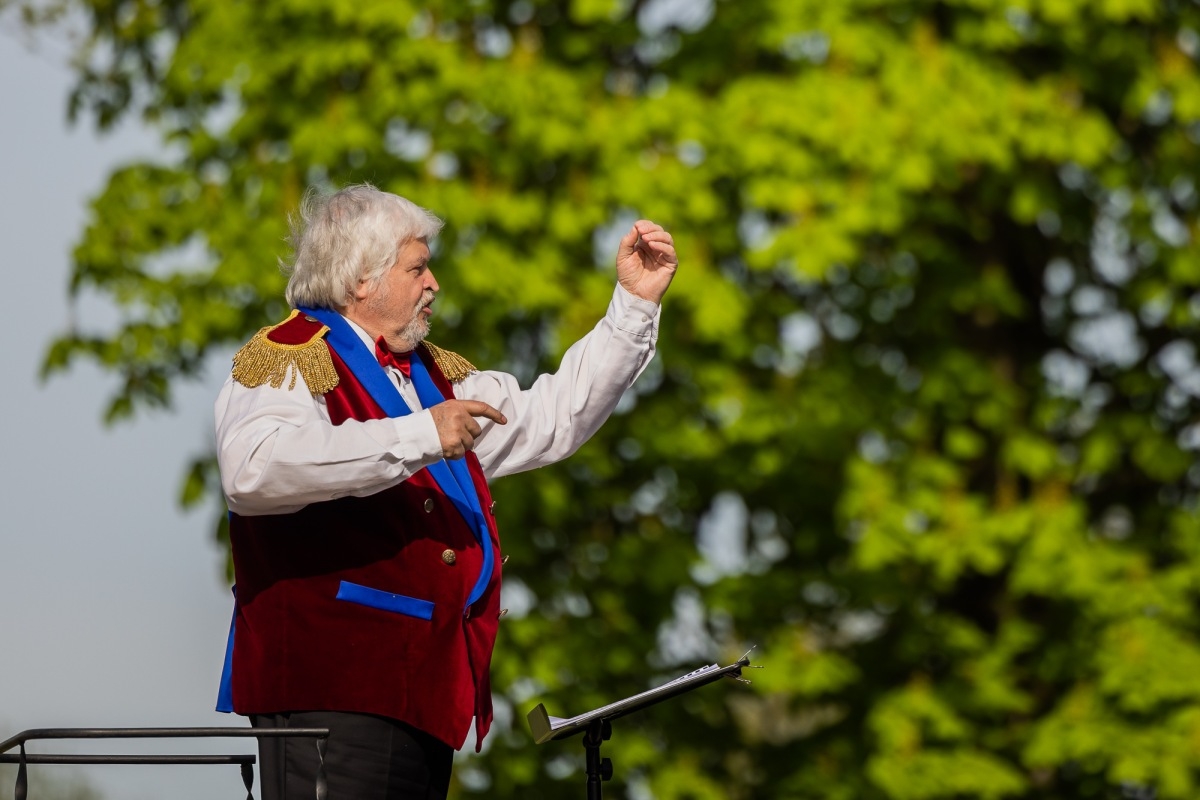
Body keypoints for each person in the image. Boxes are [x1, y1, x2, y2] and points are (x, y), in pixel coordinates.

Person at [212, 183, 677, 800]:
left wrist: (633, 307)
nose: (433, 283)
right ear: (360, 281)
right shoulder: (293, 354)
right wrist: (418, 434)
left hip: (423, 693)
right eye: (417, 267)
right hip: (332, 688)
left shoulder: (431, 374)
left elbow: (553, 417)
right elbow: (254, 471)